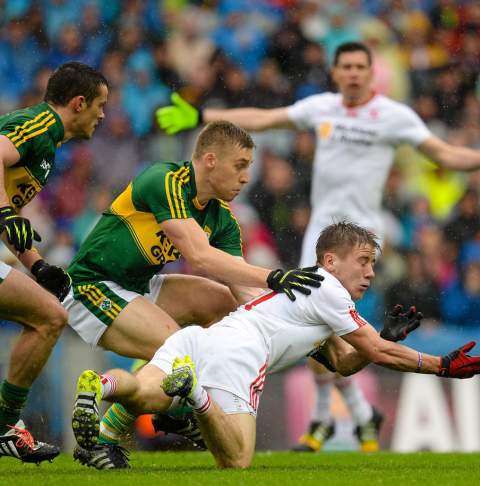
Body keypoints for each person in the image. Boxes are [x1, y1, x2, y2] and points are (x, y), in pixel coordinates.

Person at [156, 41, 480, 452]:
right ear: (335, 71)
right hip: (322, 236)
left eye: (361, 66)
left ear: (370, 71)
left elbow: (445, 153)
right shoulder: (322, 107)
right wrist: (204, 115)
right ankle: (351, 414)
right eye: (346, 66)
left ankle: (331, 416)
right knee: (314, 325)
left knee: (336, 328)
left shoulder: (393, 116)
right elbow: (265, 118)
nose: (353, 74)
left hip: (361, 241)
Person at [70, 221, 480, 470]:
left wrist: (384, 338)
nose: (371, 272)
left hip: (201, 339)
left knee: (144, 391)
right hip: (239, 356)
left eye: (373, 263)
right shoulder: (328, 289)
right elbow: (375, 352)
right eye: (363, 261)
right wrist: (440, 364)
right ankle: (194, 393)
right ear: (331, 261)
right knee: (236, 460)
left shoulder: (312, 298)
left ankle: (100, 385)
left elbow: (342, 361)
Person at [65, 120, 321, 462]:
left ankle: (174, 412)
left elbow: (245, 294)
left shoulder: (222, 218)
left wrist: (303, 330)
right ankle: (112, 433)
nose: (246, 177)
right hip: (92, 284)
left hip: (139, 285)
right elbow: (199, 257)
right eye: (240, 165)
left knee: (224, 303)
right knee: (179, 346)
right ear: (211, 160)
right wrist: (274, 277)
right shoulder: (164, 180)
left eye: (249, 167)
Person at [0, 62, 108, 464]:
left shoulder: (50, 146)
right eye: (100, 105)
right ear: (79, 103)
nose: (102, 115)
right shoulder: (39, 124)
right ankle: (4, 425)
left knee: (47, 315)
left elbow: (7, 213)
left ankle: (5, 425)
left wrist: (38, 265)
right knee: (48, 317)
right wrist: (5, 214)